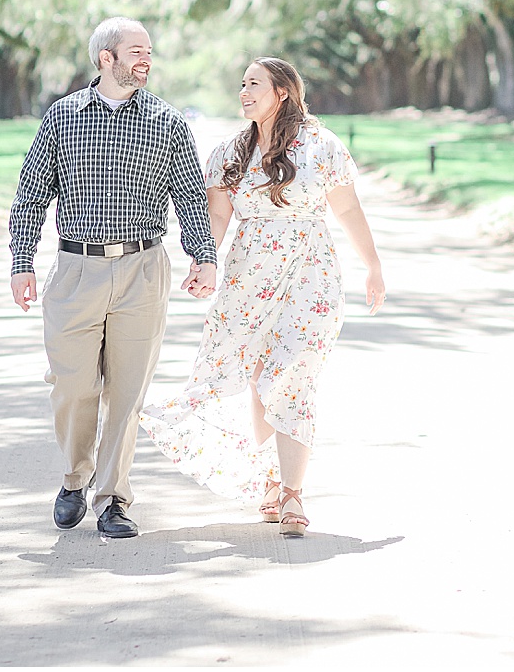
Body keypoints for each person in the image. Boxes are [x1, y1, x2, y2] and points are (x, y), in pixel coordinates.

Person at [140, 57, 385, 536]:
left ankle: (293, 492)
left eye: (254, 84)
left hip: (311, 274)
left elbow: (349, 208)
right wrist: (203, 264)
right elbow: (216, 221)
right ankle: (270, 481)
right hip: (248, 278)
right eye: (243, 84)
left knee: (293, 373)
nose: (244, 92)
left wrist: (373, 265)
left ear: (283, 92)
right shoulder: (230, 152)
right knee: (259, 375)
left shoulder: (321, 146)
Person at [9, 16, 217, 538]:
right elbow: (31, 193)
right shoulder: (62, 117)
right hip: (76, 269)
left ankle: (114, 499)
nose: (146, 59)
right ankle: (74, 478)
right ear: (107, 57)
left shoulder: (167, 122)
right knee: (72, 385)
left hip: (143, 269)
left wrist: (203, 255)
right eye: (136, 51)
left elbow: (190, 194)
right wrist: (21, 261)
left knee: (127, 392)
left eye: (149, 51)